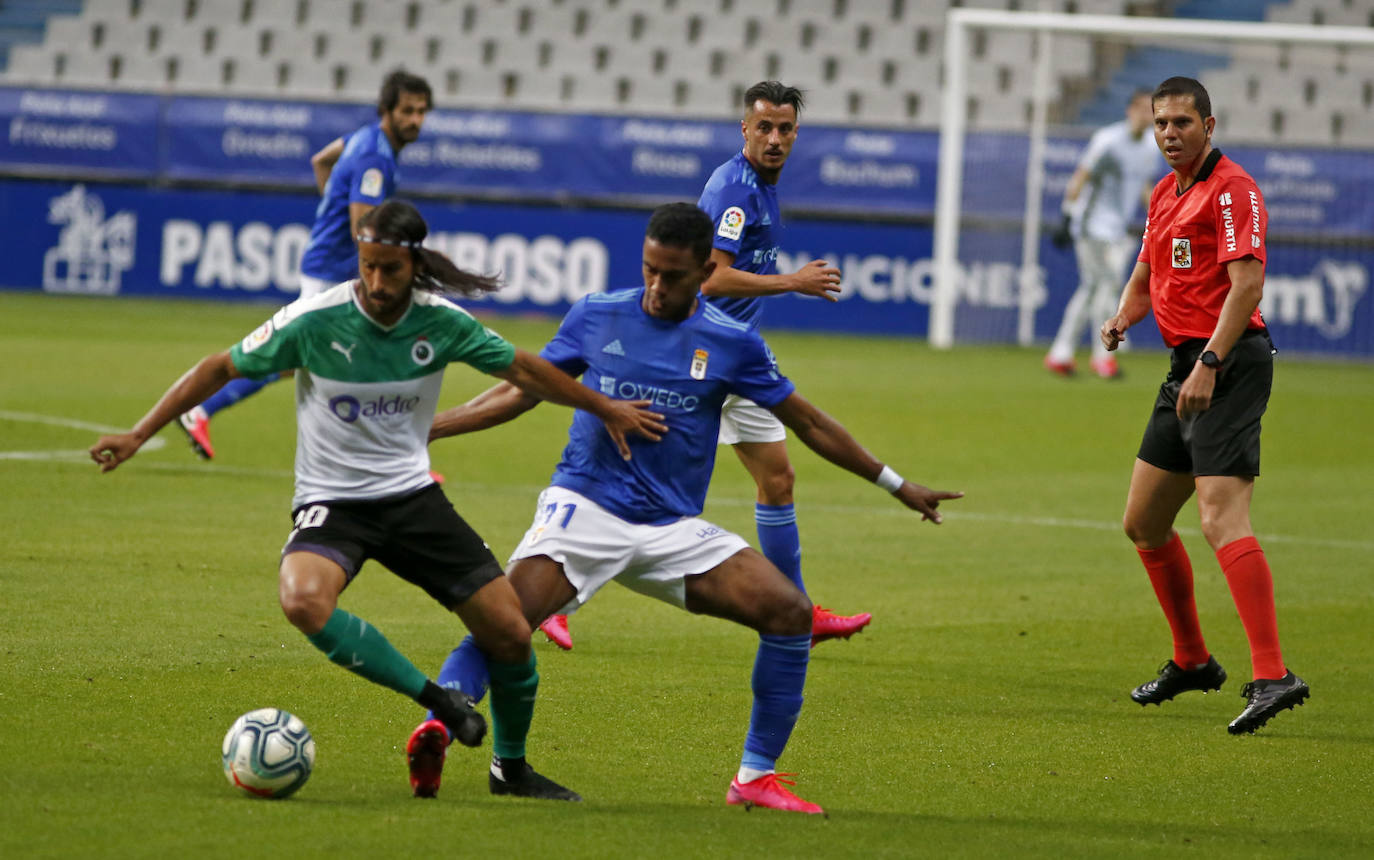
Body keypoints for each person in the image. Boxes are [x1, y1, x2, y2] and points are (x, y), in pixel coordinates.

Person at [91, 199, 667, 799]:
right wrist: (139, 432)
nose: (376, 282)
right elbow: (219, 367)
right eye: (367, 266)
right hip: (333, 504)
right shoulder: (315, 320)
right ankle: (437, 698)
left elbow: (526, 369)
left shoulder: (440, 322)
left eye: (390, 269)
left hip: (413, 499)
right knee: (303, 600)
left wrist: (605, 407)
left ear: (413, 265)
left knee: (512, 635)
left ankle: (511, 771)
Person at [406, 203, 962, 812]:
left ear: (704, 271)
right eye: (648, 269)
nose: (655, 287)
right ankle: (440, 723)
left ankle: (753, 779)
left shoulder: (731, 342)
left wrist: (895, 483)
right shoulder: (598, 314)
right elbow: (522, 389)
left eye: (671, 276)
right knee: (507, 620)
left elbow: (808, 422)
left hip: (670, 528)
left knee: (789, 614)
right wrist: (431, 428)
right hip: (586, 508)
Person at [537, 80, 870, 653]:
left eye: (784, 129)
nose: (773, 138)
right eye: (762, 127)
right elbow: (711, 276)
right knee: (625, 493)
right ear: (744, 128)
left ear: (796, 133)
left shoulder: (760, 187)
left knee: (777, 479)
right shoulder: (735, 191)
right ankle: (547, 596)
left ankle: (795, 607)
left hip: (730, 355)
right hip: (697, 358)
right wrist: (792, 281)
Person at [1100, 77, 1309, 734]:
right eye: (1161, 123)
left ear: (1209, 126)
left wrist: (1212, 363)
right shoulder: (1166, 192)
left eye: (1182, 123)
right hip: (1185, 365)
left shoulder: (1234, 190)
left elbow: (1247, 283)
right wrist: (1123, 316)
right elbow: (1149, 273)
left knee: (1222, 519)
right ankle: (1192, 661)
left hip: (1230, 362)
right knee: (1144, 521)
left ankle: (1273, 674)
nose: (1169, 134)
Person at [177, 70, 434, 460]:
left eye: (421, 112)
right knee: (361, 360)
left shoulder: (363, 138)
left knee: (297, 361)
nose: (415, 119)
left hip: (328, 264)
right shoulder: (374, 160)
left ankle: (200, 404)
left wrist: (329, 204)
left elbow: (321, 160)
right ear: (387, 110)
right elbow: (362, 230)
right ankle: (397, 462)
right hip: (335, 271)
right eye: (407, 111)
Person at [1046, 88, 1161, 380]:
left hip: (1115, 229)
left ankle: (1061, 353)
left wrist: (1158, 219)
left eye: (1151, 110)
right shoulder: (1108, 141)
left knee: (1092, 288)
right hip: (1091, 224)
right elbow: (1080, 177)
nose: (1146, 115)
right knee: (1107, 284)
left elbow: (1143, 187)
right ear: (1129, 110)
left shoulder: (1150, 147)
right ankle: (1103, 357)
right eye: (1141, 108)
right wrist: (1066, 215)